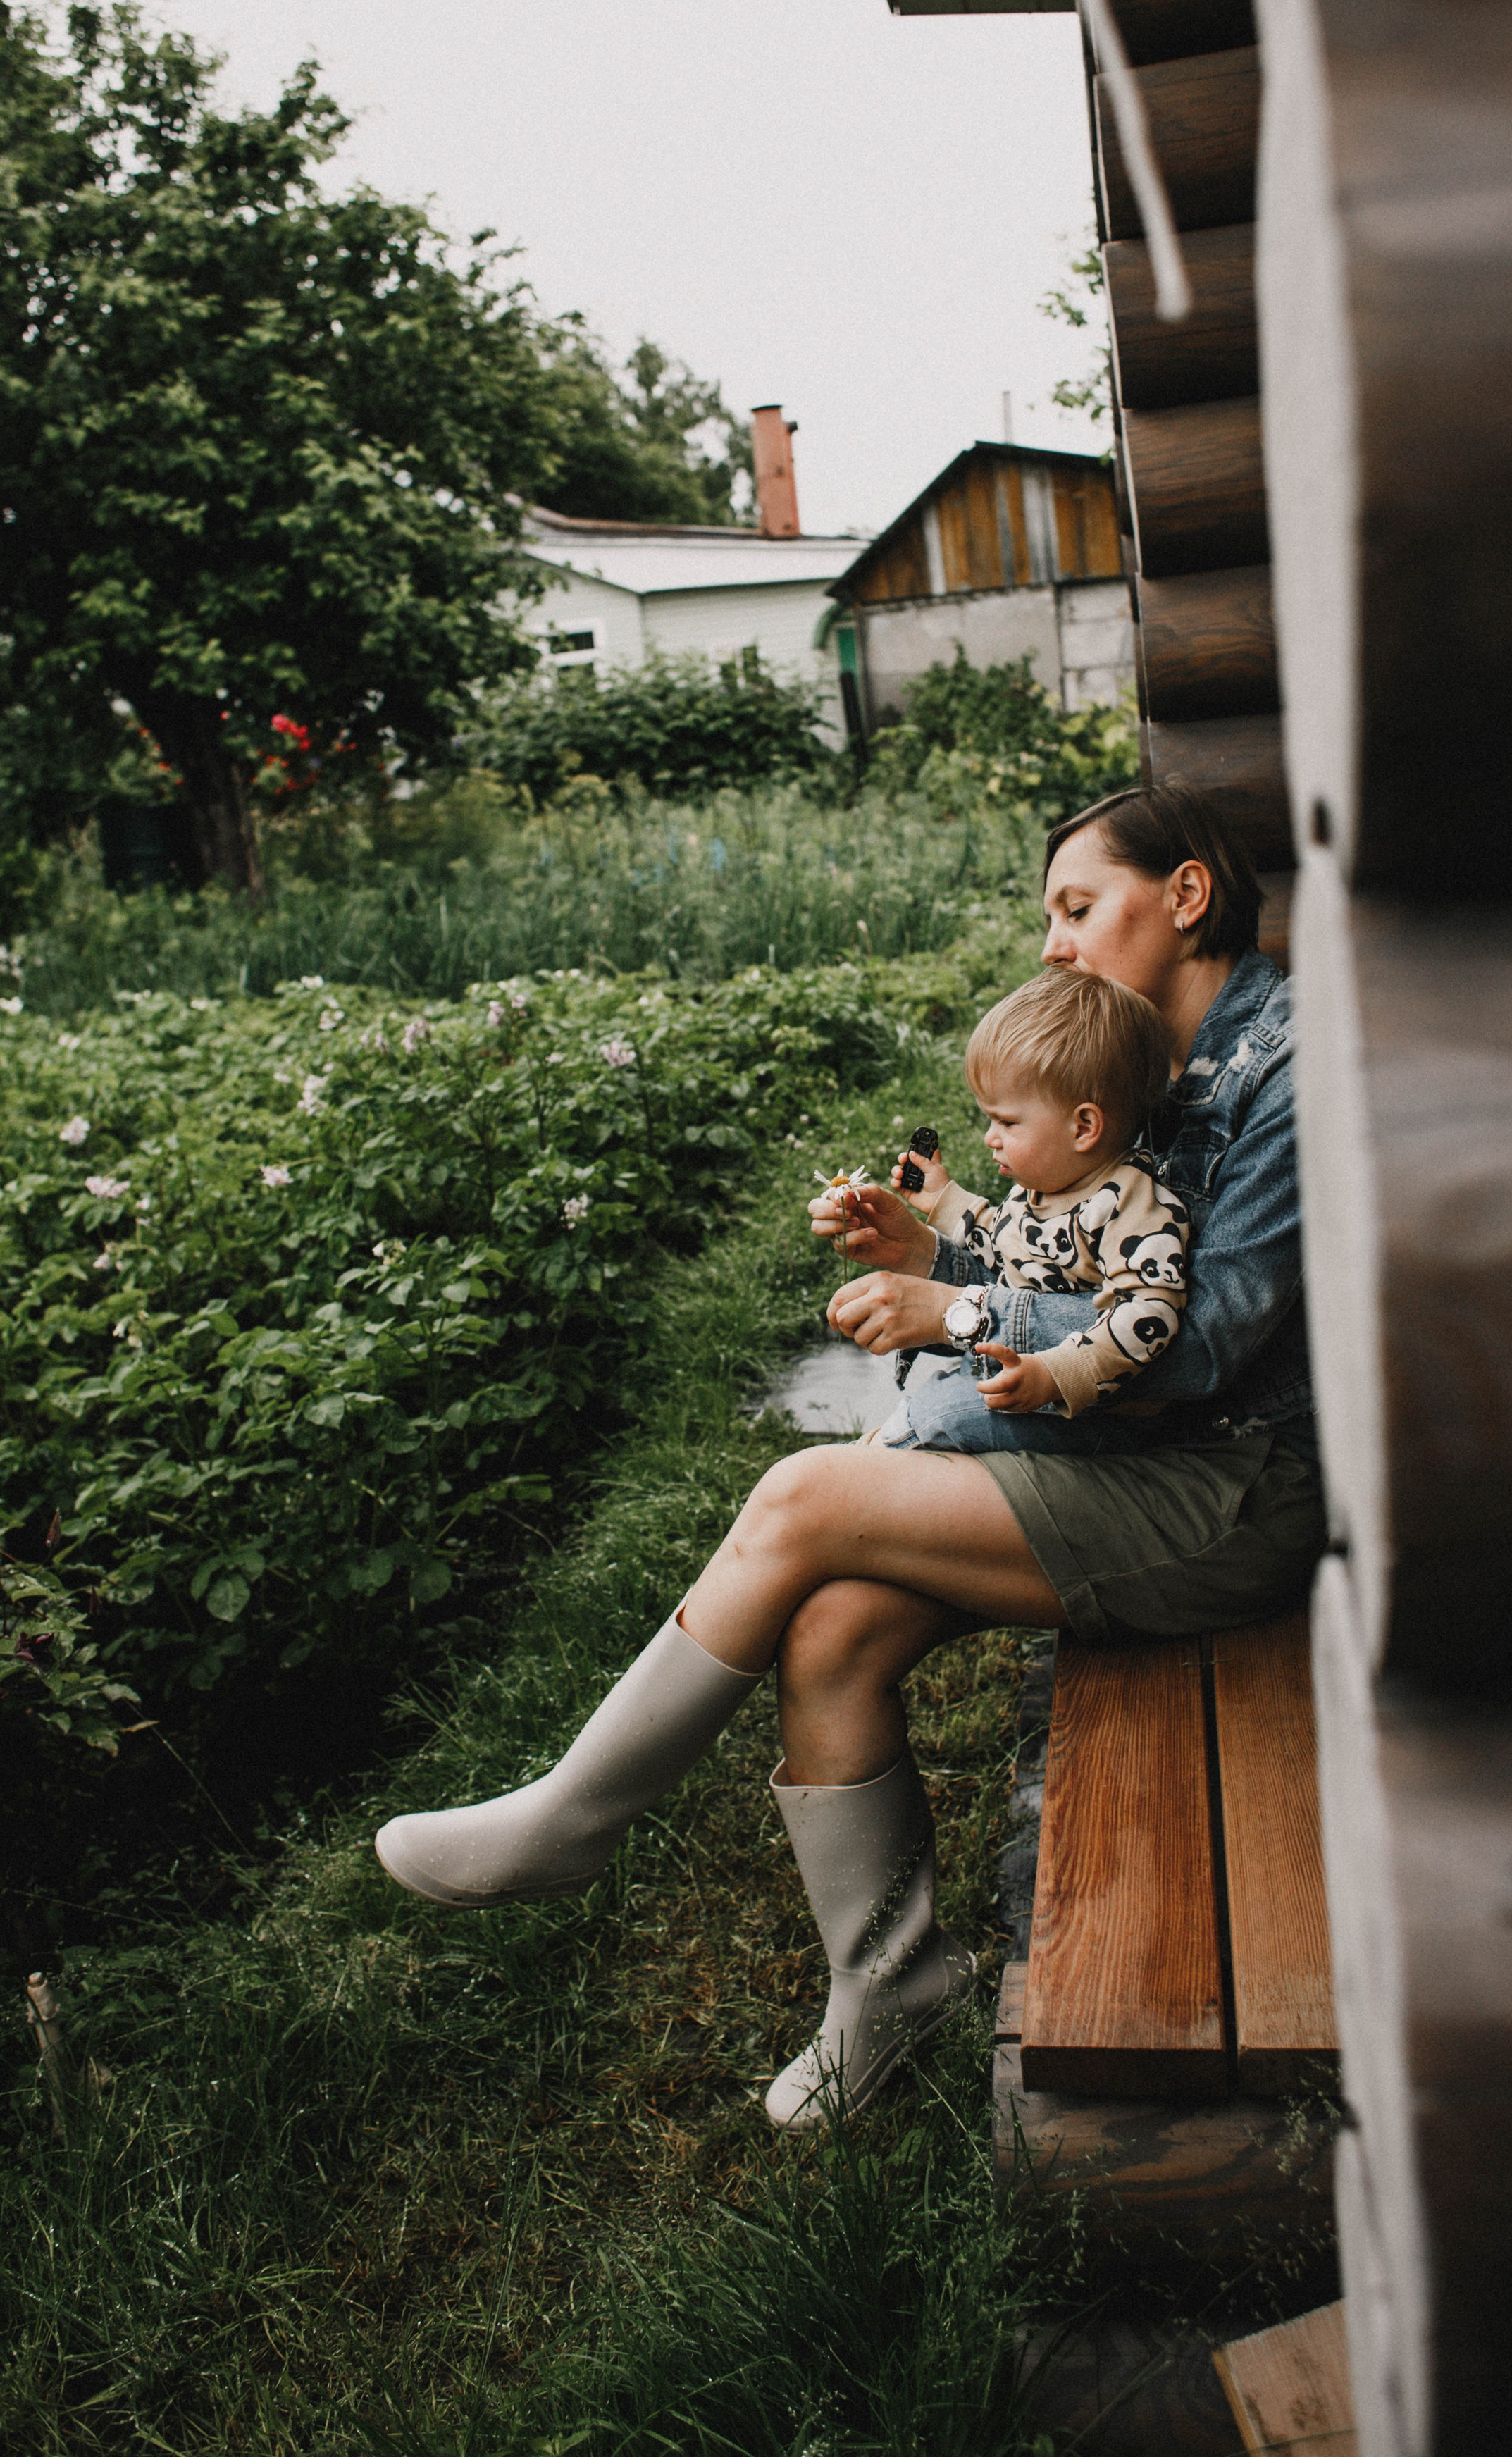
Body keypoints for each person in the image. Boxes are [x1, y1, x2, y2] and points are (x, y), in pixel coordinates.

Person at [374, 783, 1323, 2132]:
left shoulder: (1281, 1063)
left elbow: (1207, 1338)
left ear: (1184, 898)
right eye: (1048, 916)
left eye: (1077, 908)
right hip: (1136, 1456)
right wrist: (933, 1252)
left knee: (805, 1491)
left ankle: (575, 1817)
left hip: (1234, 1492)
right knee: (832, 1631)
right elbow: (1085, 1265)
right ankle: (887, 1995)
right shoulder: (1141, 1058)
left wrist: (958, 1310)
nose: (1053, 943)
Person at [866, 966, 1189, 1444]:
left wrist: (1057, 1373)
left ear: (1083, 1127)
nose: (989, 1139)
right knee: (907, 1429)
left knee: (917, 1433)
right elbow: (1012, 1246)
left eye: (1007, 1122)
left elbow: (1149, 1311)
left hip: (1091, 1413)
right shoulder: (1048, 1185)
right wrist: (943, 1199)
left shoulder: (1129, 1207)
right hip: (1017, 1376)